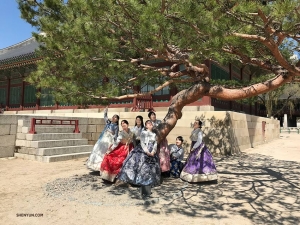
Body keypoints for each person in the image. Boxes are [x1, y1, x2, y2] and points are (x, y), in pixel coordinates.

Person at [118, 120, 161, 187]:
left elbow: (155, 144)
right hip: (143, 149)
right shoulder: (143, 133)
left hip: (152, 150)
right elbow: (142, 142)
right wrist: (147, 151)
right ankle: (137, 180)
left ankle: (149, 181)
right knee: (139, 163)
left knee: (151, 166)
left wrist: (153, 151)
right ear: (146, 126)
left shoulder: (154, 134)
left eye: (151, 124)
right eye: (148, 124)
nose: (150, 125)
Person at [86, 106, 119, 171]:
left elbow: (116, 135)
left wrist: (113, 136)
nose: (113, 118)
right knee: (98, 149)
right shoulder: (108, 122)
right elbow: (105, 117)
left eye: (115, 117)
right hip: (103, 138)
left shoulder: (116, 126)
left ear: (117, 119)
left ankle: (103, 166)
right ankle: (94, 165)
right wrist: (106, 111)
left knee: (105, 151)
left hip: (109, 139)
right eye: (113, 116)